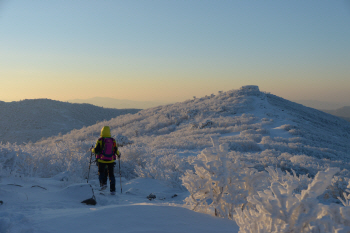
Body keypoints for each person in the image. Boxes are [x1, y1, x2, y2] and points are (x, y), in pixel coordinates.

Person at [92, 126, 121, 195]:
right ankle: (113, 190)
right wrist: (119, 154)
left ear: (102, 131)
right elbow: (116, 150)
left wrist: (91, 149)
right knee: (111, 175)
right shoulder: (113, 140)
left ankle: (103, 184)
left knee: (101, 172)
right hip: (111, 160)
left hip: (101, 160)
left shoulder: (100, 140)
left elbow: (96, 150)